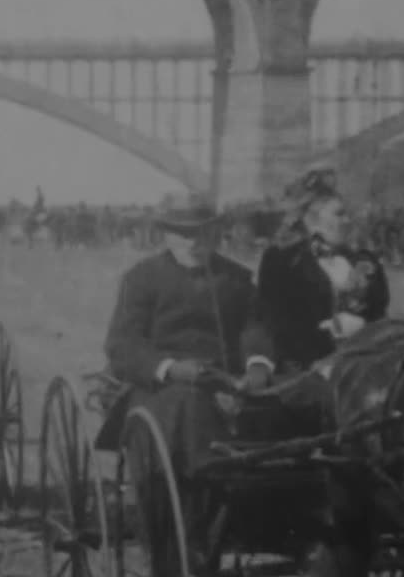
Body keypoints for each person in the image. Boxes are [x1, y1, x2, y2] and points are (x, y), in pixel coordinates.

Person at [99, 195, 271, 576]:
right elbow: (123, 345)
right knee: (190, 411)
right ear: (166, 235)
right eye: (182, 233)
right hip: (162, 388)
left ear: (214, 233)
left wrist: (258, 365)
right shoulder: (142, 278)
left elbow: (254, 329)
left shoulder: (237, 279)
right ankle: (190, 537)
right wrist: (171, 368)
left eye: (202, 233)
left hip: (226, 381)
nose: (193, 242)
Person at [256, 169, 390, 377]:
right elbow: (276, 322)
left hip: (362, 366)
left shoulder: (366, 260)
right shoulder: (281, 261)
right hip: (306, 368)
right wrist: (331, 334)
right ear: (311, 220)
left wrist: (363, 326)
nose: (347, 221)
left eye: (347, 214)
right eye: (339, 214)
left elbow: (380, 315)